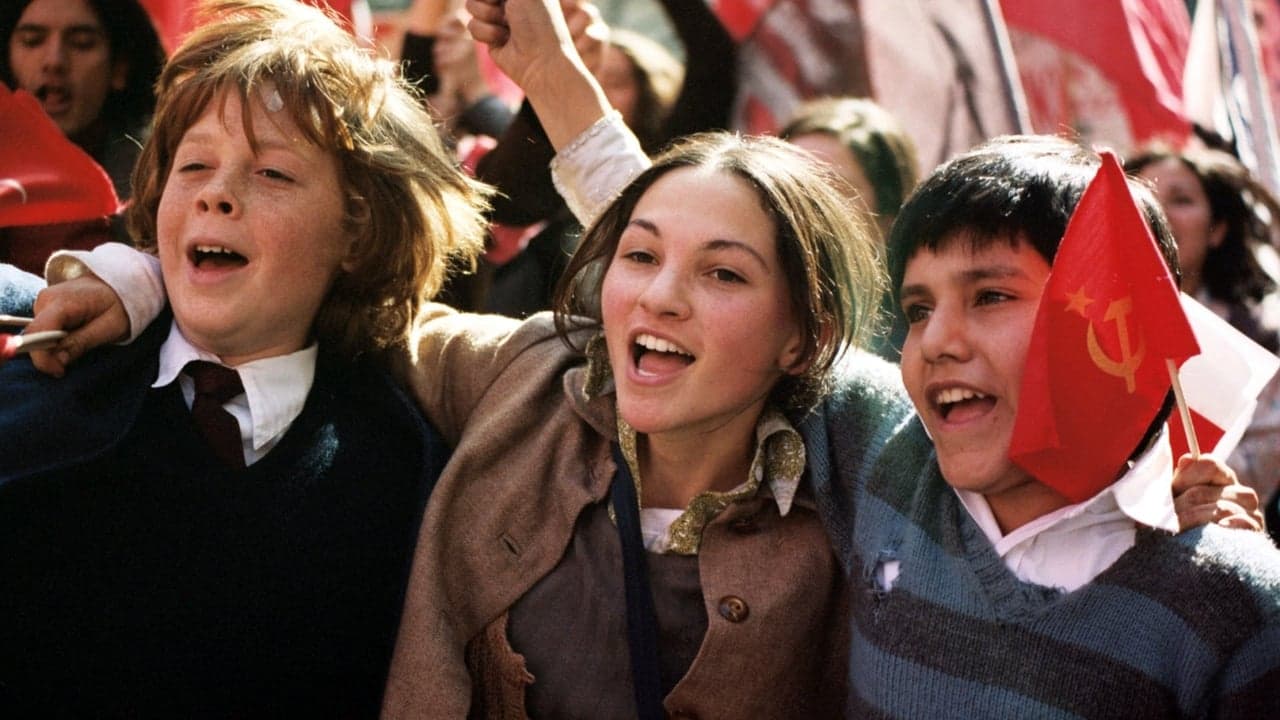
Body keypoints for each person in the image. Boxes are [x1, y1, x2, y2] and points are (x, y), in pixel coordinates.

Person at [0, 0, 489, 716]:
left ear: (358, 228)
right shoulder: (35, 372)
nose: (216, 195)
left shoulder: (404, 463)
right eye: (192, 164)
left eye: (273, 175)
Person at [824, 134, 1280, 717]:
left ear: (1110, 329)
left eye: (989, 296)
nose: (935, 341)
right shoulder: (883, 452)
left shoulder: (1230, 610)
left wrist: (1226, 577)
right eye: (919, 310)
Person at [1126, 143, 1280, 520]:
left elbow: (1261, 465)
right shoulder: (1094, 332)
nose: (1158, 213)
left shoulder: (1258, 335)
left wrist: (1168, 496)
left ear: (1217, 230)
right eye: (1144, 199)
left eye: (1180, 200)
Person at [780, 95, 920, 360]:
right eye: (789, 186)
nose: (802, 206)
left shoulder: (915, 333)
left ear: (888, 217)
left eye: (829, 190)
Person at [2, 0, 165, 198]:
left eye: (82, 43)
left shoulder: (160, 178)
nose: (54, 60)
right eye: (32, 40)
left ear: (120, 67)